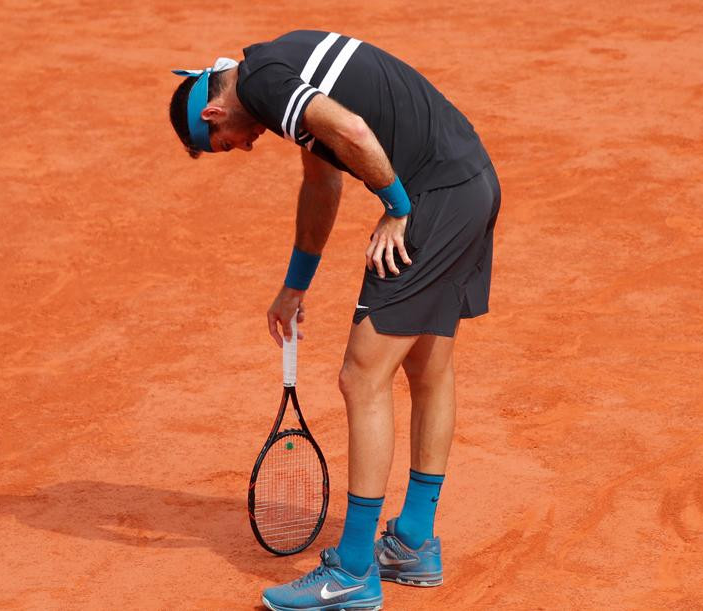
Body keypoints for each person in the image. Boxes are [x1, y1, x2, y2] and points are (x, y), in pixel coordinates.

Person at [169, 30, 500, 611]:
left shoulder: (265, 84)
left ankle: (351, 572)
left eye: (225, 143)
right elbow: (322, 180)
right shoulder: (277, 69)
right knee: (427, 366)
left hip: (433, 199)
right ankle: (415, 543)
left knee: (361, 377)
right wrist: (295, 286)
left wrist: (398, 208)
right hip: (470, 182)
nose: (242, 149)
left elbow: (353, 133)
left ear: (215, 111)